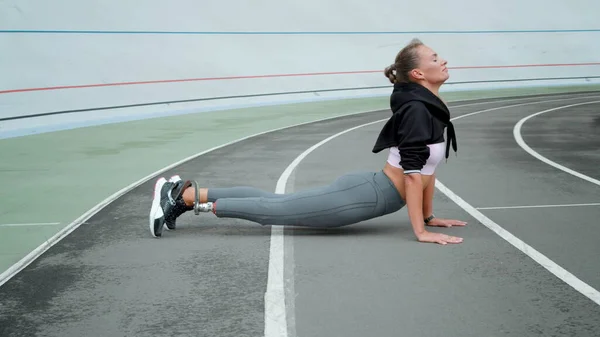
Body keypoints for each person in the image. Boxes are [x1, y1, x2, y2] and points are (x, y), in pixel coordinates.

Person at [149, 38, 467, 245]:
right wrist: (421, 232)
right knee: (272, 211)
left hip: (370, 190)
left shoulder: (428, 108)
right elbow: (413, 176)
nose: (443, 61)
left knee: (274, 203)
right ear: (418, 74)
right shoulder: (417, 111)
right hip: (365, 197)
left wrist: (429, 216)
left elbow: (428, 170)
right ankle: (184, 200)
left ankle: (187, 193)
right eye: (435, 57)